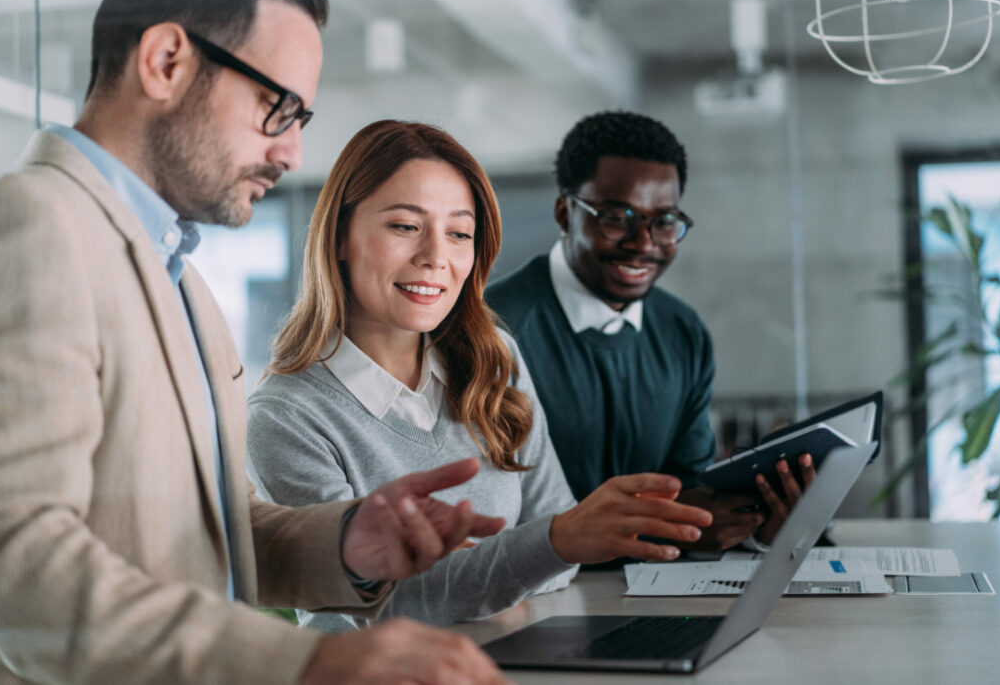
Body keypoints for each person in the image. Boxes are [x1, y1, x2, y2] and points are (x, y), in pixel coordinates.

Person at [0, 0, 510, 683]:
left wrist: (350, 541)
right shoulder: (31, 224)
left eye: (301, 120)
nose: (290, 153)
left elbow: (218, 530)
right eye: (277, 106)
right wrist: (304, 658)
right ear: (166, 60)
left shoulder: (183, 279)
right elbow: (8, 561)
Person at [246, 119, 715, 632]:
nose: (435, 258)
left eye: (459, 233)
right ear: (339, 236)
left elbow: (558, 555)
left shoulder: (494, 360)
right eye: (405, 226)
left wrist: (527, 556)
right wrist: (546, 546)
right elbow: (370, 605)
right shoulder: (286, 417)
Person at [487, 111, 814, 551]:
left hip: (659, 595)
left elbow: (692, 488)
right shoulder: (492, 329)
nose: (643, 244)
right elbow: (493, 516)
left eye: (663, 221)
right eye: (618, 218)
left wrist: (751, 527)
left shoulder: (682, 333)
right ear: (565, 213)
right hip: (535, 597)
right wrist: (671, 527)